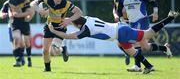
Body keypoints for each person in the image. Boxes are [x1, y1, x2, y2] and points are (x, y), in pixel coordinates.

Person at [48, 11, 179, 74]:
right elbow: (75, 19)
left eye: (74, 24)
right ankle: (149, 65)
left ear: (77, 24)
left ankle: (170, 17)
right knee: (133, 51)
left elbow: (68, 36)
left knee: (148, 34)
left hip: (121, 32)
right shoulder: (86, 18)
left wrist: (53, 30)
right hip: (120, 31)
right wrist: (67, 20)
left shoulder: (85, 29)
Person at [113, 0, 167, 72]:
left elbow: (153, 2)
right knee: (144, 46)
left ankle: (137, 66)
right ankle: (164, 48)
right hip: (131, 22)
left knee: (135, 42)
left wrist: (155, 13)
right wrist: (122, 20)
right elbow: (119, 11)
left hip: (142, 20)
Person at [30, 0, 82, 72]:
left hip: (60, 28)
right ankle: (47, 69)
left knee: (54, 51)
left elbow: (79, 12)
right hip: (49, 26)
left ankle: (62, 49)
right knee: (45, 51)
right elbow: (32, 4)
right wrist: (40, 10)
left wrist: (69, 19)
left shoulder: (66, 4)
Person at [0, 0, 33, 67]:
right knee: (16, 39)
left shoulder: (25, 0)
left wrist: (18, 15)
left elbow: (29, 12)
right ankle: (18, 60)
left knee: (27, 42)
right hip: (14, 23)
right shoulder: (9, 2)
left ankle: (29, 58)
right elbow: (2, 12)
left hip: (24, 23)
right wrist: (3, 15)